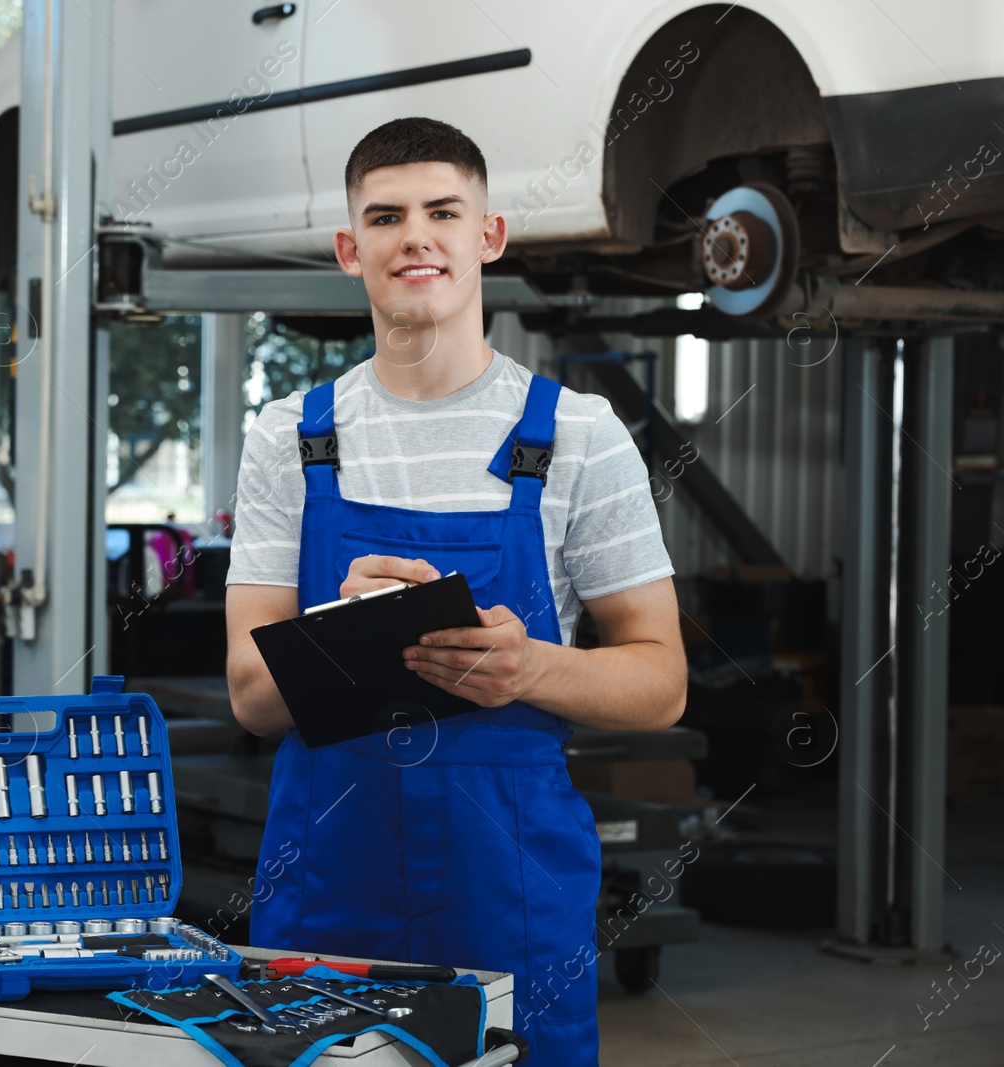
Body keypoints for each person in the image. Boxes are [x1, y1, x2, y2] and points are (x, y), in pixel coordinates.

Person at [224, 117, 687, 1067]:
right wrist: (334, 635)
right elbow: (251, 699)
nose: (416, 237)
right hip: (328, 882)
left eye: (444, 210)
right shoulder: (290, 437)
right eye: (386, 217)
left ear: (490, 236)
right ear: (352, 250)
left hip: (508, 887)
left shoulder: (579, 436)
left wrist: (529, 667)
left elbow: (662, 683)